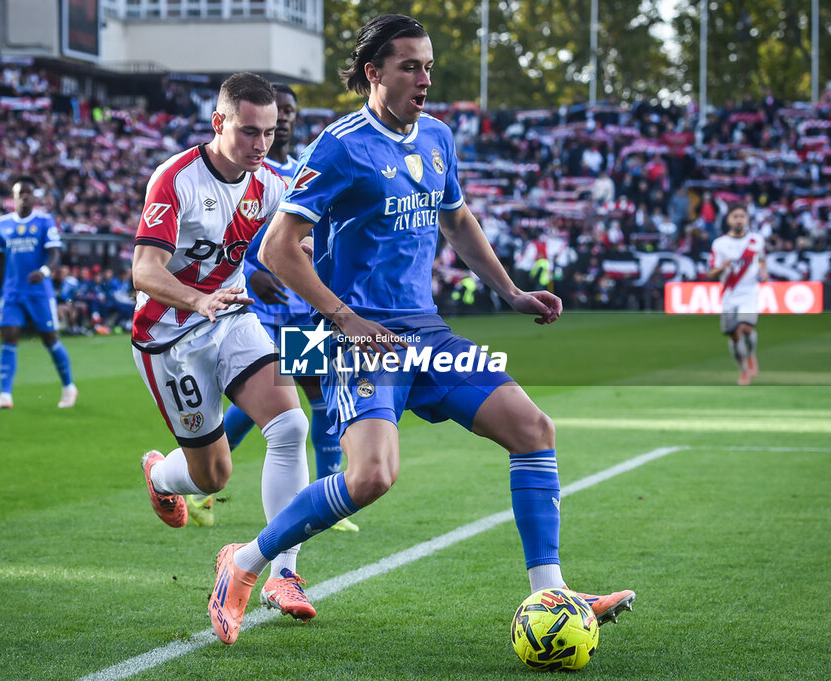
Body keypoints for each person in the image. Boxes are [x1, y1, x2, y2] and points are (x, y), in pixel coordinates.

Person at [206, 15, 635, 646]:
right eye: (410, 66)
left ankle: (552, 590)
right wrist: (344, 319)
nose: (424, 79)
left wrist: (511, 291)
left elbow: (457, 221)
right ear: (374, 73)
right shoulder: (339, 145)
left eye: (428, 66)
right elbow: (277, 247)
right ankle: (244, 563)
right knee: (371, 477)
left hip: (428, 336)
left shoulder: (437, 136)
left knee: (533, 429)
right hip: (360, 343)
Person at [131, 72, 316, 623]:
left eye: (270, 133)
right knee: (213, 476)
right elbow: (144, 271)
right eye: (250, 131)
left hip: (231, 318)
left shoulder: (271, 183)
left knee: (291, 425)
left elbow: (294, 242)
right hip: (168, 335)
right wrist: (197, 299)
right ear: (219, 122)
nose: (262, 144)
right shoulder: (176, 179)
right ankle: (161, 476)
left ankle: (282, 573)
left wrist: (314, 249)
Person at [187, 83, 357, 533]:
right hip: (256, 307)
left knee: (319, 398)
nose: (282, 119)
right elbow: (221, 236)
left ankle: (327, 497)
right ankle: (202, 487)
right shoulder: (243, 170)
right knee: (259, 401)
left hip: (300, 306)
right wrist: (252, 270)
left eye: (289, 111)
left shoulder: (302, 170)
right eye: (276, 111)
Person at [0, 178, 78, 409]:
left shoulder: (44, 220)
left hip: (39, 292)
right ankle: (5, 395)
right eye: (20, 193)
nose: (25, 196)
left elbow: (55, 253)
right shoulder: (3, 223)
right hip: (12, 291)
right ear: (13, 197)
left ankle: (68, 386)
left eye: (28, 192)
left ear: (33, 197)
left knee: (49, 338)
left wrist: (44, 271)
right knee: (8, 336)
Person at [708, 202, 767, 385]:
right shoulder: (719, 244)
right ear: (729, 219)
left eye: (742, 216)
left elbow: (762, 260)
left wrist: (763, 271)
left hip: (749, 292)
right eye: (735, 217)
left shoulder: (756, 241)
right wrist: (722, 267)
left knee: (745, 327)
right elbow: (711, 272)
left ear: (747, 219)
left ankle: (751, 356)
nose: (739, 220)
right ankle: (743, 370)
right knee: (734, 334)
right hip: (730, 294)